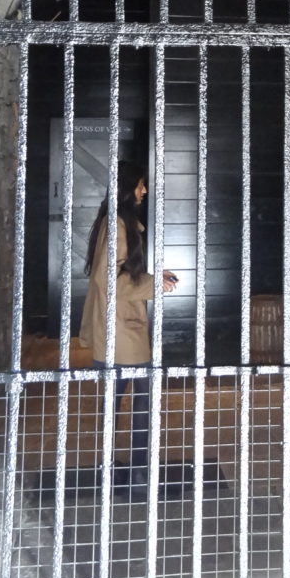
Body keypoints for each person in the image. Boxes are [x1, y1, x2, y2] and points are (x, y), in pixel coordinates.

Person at [78, 162, 178, 496]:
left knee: (117, 402)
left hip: (117, 329)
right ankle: (137, 471)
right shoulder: (118, 225)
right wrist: (153, 285)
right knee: (141, 405)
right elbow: (111, 280)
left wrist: (153, 280)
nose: (144, 191)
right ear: (126, 188)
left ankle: (115, 468)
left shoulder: (116, 223)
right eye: (139, 185)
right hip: (120, 330)